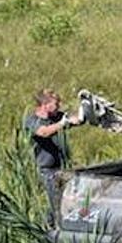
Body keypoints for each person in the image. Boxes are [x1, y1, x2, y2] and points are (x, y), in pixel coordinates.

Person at [23, 88, 87, 226]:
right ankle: (52, 231)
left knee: (70, 202)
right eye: (56, 104)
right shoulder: (32, 120)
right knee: (56, 205)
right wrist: (62, 124)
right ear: (45, 105)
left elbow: (74, 120)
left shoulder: (56, 117)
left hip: (62, 168)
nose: (59, 107)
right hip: (46, 171)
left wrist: (84, 113)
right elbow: (44, 132)